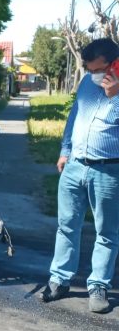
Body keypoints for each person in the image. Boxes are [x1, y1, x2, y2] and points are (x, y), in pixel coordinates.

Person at [39, 38, 119, 314]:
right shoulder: (87, 82)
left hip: (108, 169)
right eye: (88, 68)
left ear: (112, 64)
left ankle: (98, 285)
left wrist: (115, 96)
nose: (92, 73)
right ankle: (59, 280)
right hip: (74, 166)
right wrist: (65, 151)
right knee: (66, 226)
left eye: (96, 68)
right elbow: (74, 117)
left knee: (106, 232)